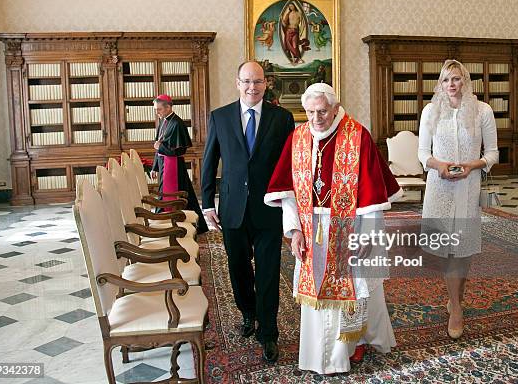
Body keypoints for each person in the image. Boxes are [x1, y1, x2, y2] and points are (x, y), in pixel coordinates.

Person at [264, 83, 402, 374]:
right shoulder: (298, 137)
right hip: (310, 226)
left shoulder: (358, 135)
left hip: (350, 226)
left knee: (357, 287)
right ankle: (322, 353)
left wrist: (368, 235)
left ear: (336, 109)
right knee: (317, 290)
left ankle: (353, 342)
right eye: (311, 112)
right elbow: (288, 193)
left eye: (323, 111)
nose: (316, 118)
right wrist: (294, 231)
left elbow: (373, 196)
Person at [200, 61, 295, 362]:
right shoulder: (221, 116)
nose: (252, 87)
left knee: (268, 273)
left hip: (270, 209)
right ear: (237, 83)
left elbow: (291, 165)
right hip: (232, 209)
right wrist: (206, 203)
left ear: (266, 84)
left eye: (258, 81)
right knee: (238, 268)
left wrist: (295, 206)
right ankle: (248, 313)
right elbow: (209, 161)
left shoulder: (282, 118)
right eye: (246, 81)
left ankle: (268, 332)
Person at [417, 59, 499, 339]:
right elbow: (422, 154)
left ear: (465, 80)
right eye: (446, 80)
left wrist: (471, 166)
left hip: (467, 187)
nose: (451, 85)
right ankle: (456, 309)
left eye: (456, 79)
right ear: (440, 84)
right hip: (439, 187)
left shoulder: (482, 111)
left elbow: (493, 154)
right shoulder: (430, 111)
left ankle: (456, 298)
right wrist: (438, 165)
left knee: (463, 248)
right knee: (449, 249)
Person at [150, 94, 207, 234]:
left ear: (168, 107)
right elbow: (159, 145)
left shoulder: (177, 123)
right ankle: (164, 221)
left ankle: (186, 224)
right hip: (164, 164)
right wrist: (155, 167)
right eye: (156, 110)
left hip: (174, 165)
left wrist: (160, 148)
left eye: (159, 109)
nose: (157, 113)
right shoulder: (163, 122)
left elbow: (179, 149)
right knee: (171, 193)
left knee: (180, 194)